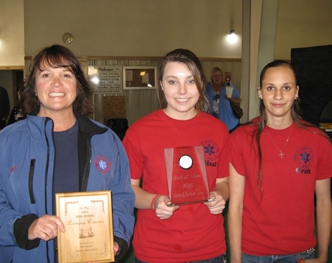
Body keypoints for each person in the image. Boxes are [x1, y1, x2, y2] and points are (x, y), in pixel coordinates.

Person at [0, 45, 135, 263]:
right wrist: (25, 227)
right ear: (34, 87)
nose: (56, 83)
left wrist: (116, 238)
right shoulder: (4, 145)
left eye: (66, 75)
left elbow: (121, 198)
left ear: (78, 86)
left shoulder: (105, 139)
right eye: (46, 75)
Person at [123, 49, 230, 263]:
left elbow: (223, 182)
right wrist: (153, 202)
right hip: (156, 250)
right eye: (173, 82)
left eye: (190, 81)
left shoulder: (218, 130)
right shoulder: (139, 132)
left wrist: (220, 196)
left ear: (201, 83)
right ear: (161, 84)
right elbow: (128, 190)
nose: (182, 91)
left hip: (208, 249)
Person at [228, 60, 332, 263]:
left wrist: (323, 256)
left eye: (286, 87)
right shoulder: (241, 138)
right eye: (270, 88)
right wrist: (235, 259)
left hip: (301, 252)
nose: (278, 96)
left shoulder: (318, 140)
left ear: (296, 91)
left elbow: (324, 201)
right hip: (252, 252)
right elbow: (236, 206)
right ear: (260, 92)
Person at [204, 67, 241, 132]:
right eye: (215, 75)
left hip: (228, 123)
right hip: (211, 123)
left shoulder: (228, 86)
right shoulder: (207, 87)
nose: (217, 77)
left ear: (222, 77)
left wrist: (232, 99)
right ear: (212, 77)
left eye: (219, 75)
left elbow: (239, 101)